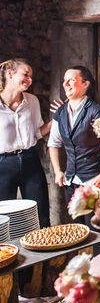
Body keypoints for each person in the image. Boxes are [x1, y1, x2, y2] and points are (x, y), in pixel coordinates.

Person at [48, 66, 100, 235]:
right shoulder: (61, 112)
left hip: (94, 181)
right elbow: (53, 143)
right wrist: (58, 171)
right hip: (71, 182)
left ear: (85, 84)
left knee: (98, 234)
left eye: (71, 80)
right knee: (78, 232)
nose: (66, 84)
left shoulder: (97, 111)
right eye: (64, 80)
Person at [0, 58, 51, 227]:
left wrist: (56, 119)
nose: (29, 80)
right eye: (26, 74)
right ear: (10, 74)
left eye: (31, 77)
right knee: (4, 216)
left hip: (30, 160)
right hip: (2, 164)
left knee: (40, 211)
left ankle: (47, 251)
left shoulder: (32, 101)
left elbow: (37, 133)